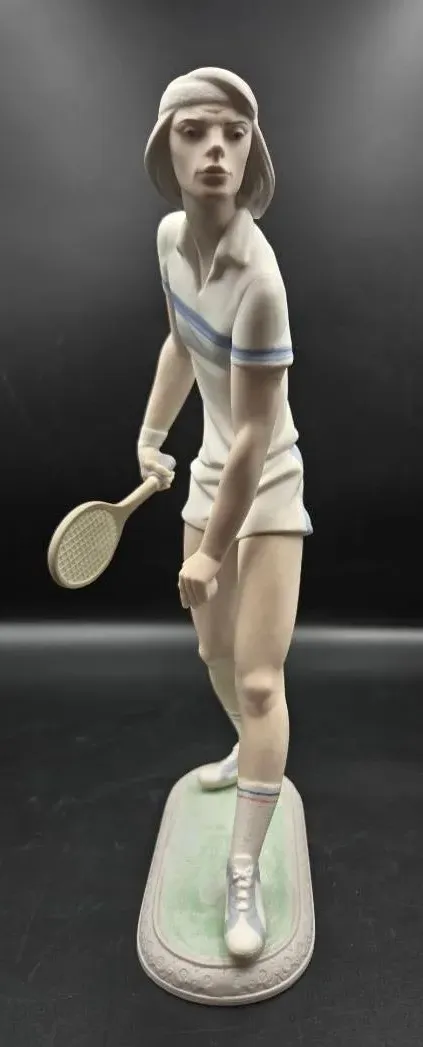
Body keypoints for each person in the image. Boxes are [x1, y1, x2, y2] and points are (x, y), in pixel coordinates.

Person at [137, 67, 313, 962]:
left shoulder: (261, 281)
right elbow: (178, 341)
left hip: (265, 485)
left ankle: (243, 863)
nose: (214, 150)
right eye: (195, 131)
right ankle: (251, 753)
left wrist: (210, 550)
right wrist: (151, 432)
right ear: (164, 147)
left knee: (257, 681)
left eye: (233, 134)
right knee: (211, 648)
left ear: (253, 151)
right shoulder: (171, 239)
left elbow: (251, 437)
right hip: (209, 475)